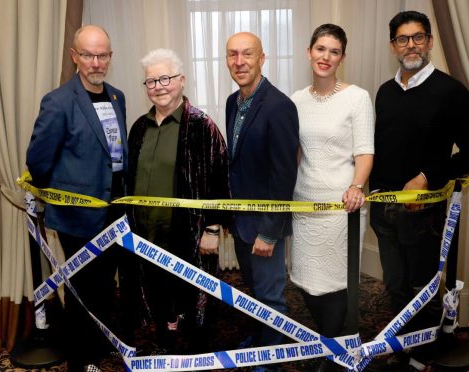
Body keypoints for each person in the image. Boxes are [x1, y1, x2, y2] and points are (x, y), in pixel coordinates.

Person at [370, 11, 469, 370]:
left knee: (423, 289)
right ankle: (403, 345)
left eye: (418, 37)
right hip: (384, 210)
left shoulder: (450, 91)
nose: (411, 45)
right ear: (393, 46)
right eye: (403, 39)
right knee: (395, 285)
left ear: (430, 41)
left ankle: (423, 355)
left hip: (423, 212)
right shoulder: (385, 92)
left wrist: (427, 177)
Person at [26, 25, 131, 371]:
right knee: (80, 290)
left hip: (115, 213)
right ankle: (80, 360)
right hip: (77, 219)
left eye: (102, 55)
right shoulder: (57, 102)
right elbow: (38, 161)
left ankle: (100, 348)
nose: (95, 62)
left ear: (110, 58)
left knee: (104, 286)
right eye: (88, 55)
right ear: (75, 56)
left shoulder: (118, 96)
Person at [126, 48, 230, 354]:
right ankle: (164, 340)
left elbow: (220, 178)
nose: (158, 86)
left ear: (182, 80)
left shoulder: (201, 125)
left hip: (188, 232)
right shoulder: (139, 127)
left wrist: (212, 230)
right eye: (151, 81)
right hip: (146, 233)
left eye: (165, 78)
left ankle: (194, 351)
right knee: (156, 291)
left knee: (191, 296)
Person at [289, 24, 374, 372]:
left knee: (338, 282)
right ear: (309, 52)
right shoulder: (295, 100)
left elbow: (365, 151)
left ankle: (331, 350)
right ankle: (329, 341)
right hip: (305, 205)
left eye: (334, 51)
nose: (325, 57)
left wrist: (357, 186)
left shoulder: (357, 97)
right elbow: (296, 153)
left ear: (342, 57)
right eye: (320, 49)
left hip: (342, 206)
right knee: (307, 281)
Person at [225, 32, 299, 370]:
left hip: (264, 226)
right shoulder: (232, 102)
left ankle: (270, 362)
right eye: (232, 55)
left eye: (247, 54)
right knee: (253, 292)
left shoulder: (280, 106)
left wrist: (270, 232)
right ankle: (260, 344)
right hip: (241, 222)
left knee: (270, 297)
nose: (239, 62)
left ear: (262, 58)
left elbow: (283, 176)